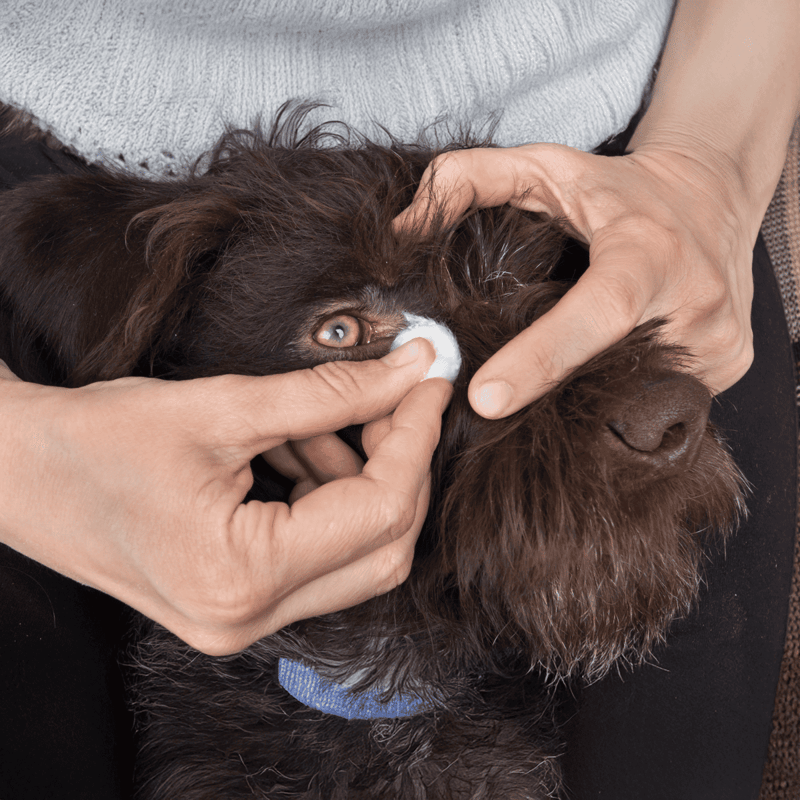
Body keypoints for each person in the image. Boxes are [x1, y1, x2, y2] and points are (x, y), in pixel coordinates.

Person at [0, 1, 797, 798]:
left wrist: (704, 176)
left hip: (618, 181)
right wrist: (25, 451)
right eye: (350, 331)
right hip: (73, 197)